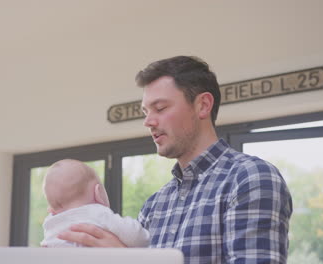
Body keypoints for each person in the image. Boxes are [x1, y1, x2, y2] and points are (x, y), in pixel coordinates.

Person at [58, 56, 293, 263]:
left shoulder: (250, 178)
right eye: (145, 112)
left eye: (159, 108)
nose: (148, 122)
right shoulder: (155, 205)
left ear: (203, 105)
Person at [40, 159, 150, 247]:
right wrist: (145, 236)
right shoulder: (97, 212)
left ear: (52, 209)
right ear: (98, 193)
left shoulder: (51, 223)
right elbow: (136, 237)